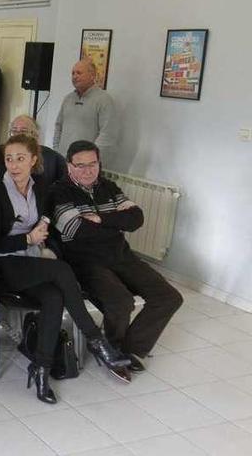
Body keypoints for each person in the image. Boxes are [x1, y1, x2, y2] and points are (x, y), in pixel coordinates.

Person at [0, 135, 131, 403]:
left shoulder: (41, 187)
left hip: (32, 260)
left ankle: (41, 369)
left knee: (54, 297)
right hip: (2, 262)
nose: (14, 165)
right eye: (8, 159)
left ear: (33, 160)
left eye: (20, 158)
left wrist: (44, 241)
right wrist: (27, 239)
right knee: (62, 271)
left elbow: (48, 224)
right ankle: (97, 341)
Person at [51, 140, 183, 372]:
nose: (87, 170)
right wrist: (115, 223)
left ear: (99, 164)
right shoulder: (58, 192)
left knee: (169, 297)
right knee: (121, 302)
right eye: (80, 165)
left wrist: (101, 219)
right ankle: (110, 350)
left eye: (93, 164)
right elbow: (77, 230)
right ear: (69, 166)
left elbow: (136, 218)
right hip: (86, 263)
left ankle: (129, 350)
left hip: (121, 255)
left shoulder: (109, 187)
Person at [53, 59, 120, 166]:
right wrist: (57, 152)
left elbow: (108, 134)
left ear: (92, 75)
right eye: (73, 73)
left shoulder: (104, 100)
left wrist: (89, 162)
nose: (75, 76)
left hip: (86, 167)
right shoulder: (68, 99)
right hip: (64, 162)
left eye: (79, 73)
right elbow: (58, 126)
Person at [0, 114, 68, 191]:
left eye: (23, 131)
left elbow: (63, 189)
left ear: (36, 135)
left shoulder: (53, 158)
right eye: (14, 131)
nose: (18, 135)